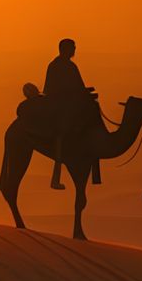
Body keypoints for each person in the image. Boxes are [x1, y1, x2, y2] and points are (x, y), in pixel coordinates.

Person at [43, 38, 94, 190]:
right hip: (62, 108)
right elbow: (59, 90)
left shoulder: (58, 65)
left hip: (63, 105)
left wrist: (84, 91)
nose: (74, 50)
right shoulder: (65, 67)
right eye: (73, 47)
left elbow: (76, 88)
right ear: (66, 49)